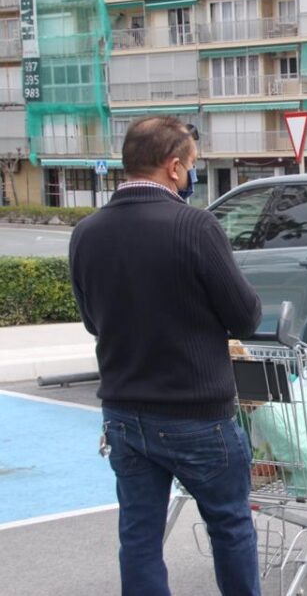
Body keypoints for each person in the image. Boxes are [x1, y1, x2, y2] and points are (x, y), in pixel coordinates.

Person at [69, 116, 263, 596]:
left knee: (139, 536)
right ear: (174, 167)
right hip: (197, 414)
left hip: (124, 413)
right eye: (193, 165)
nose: (192, 175)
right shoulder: (195, 226)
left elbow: (94, 322)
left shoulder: (86, 232)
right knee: (230, 526)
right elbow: (245, 318)